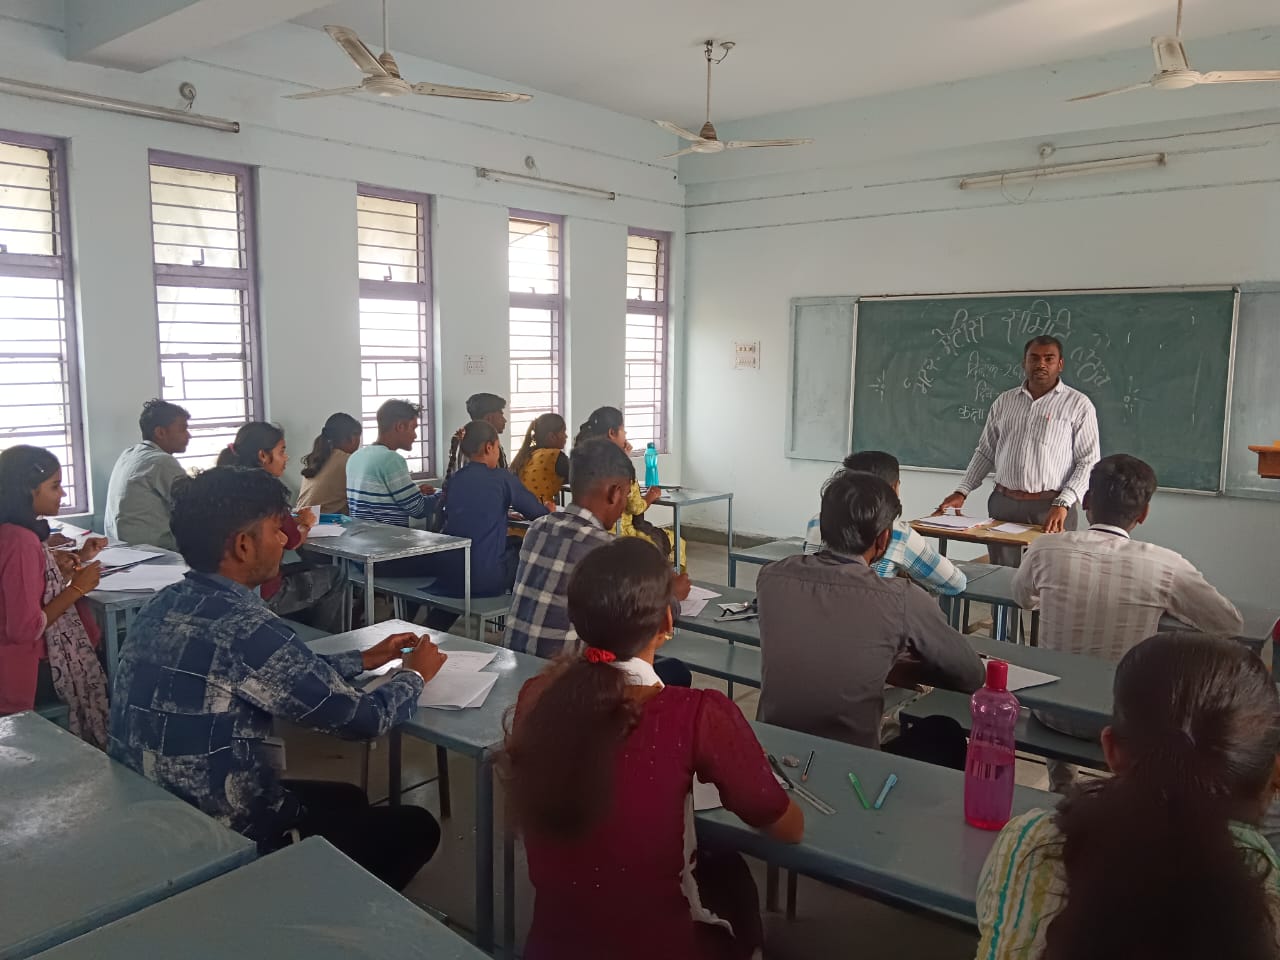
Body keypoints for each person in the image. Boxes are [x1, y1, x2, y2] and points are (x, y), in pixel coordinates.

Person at [108, 465, 446, 890]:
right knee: (415, 826)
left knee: (350, 798)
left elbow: (275, 672)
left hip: (157, 815)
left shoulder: (167, 603)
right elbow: (362, 720)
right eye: (275, 529)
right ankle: (312, 919)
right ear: (244, 545)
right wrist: (414, 675)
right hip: (223, 838)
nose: (286, 540)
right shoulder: (246, 627)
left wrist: (363, 658)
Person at [503, 538, 804, 960]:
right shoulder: (696, 713)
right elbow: (786, 826)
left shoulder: (536, 696)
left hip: (551, 946)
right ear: (667, 621)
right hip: (658, 948)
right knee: (731, 875)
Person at [976, 632, 1280, 960]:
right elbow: (1228, 620)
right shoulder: (1263, 876)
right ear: (1269, 775)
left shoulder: (1029, 841)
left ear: (1111, 749)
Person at [1012, 453, 1243, 790]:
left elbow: (1023, 598)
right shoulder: (1165, 565)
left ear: (1087, 501)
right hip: (1121, 718)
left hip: (1050, 713)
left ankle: (1062, 786)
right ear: (1144, 514)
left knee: (1063, 678)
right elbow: (1229, 624)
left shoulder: (1045, 548)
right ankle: (1126, 793)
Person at [758, 470, 985, 756]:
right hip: (853, 764)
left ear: (824, 526)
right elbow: (971, 675)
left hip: (772, 752)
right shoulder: (902, 597)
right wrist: (893, 666)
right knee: (944, 733)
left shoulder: (771, 577)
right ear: (884, 539)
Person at [507, 439, 692, 685]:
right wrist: (674, 595)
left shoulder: (538, 527)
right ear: (615, 493)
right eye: (626, 494)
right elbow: (651, 616)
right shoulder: (606, 549)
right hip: (568, 678)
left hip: (517, 663)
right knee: (675, 672)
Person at [937, 336, 1100, 565]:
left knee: (1048, 574)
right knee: (1001, 574)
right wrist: (962, 491)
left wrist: (1063, 502)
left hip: (1051, 507)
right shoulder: (1004, 402)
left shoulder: (1079, 405)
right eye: (1034, 358)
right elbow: (985, 451)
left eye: (1048, 359)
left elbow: (1088, 461)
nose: (1040, 364)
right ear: (1024, 363)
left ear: (1060, 364)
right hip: (1004, 503)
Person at [0, 446, 109, 746]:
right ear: (26, 491)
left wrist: (72, 565)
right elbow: (25, 627)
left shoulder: (11, 531)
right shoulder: (21, 540)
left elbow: (18, 593)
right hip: (19, 673)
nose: (62, 494)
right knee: (105, 663)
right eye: (54, 486)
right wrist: (78, 589)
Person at [217, 422, 345, 630]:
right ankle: (327, 640)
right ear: (263, 456)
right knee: (335, 575)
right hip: (264, 591)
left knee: (305, 568)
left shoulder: (222, 484)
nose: (286, 458)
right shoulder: (267, 490)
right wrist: (305, 523)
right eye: (282, 451)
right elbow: (292, 540)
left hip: (227, 586)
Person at [804, 450, 966, 596]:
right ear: (894, 488)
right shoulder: (898, 534)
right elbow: (955, 583)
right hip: (873, 619)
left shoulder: (816, 521)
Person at [430, 420, 552, 597]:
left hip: (451, 573)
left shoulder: (456, 478)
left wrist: (502, 511)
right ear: (489, 447)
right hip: (486, 579)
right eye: (497, 447)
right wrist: (550, 509)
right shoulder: (502, 478)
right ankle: (518, 611)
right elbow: (537, 514)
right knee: (525, 549)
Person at [575, 405, 686, 570]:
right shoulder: (621, 469)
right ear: (612, 433)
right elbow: (635, 507)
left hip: (587, 529)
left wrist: (623, 457)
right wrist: (650, 496)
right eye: (623, 430)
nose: (626, 435)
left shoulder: (583, 460)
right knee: (677, 541)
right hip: (622, 533)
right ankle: (671, 583)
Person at [104, 398, 191, 549]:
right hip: (154, 554)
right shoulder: (161, 462)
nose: (189, 435)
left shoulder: (129, 454)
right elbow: (195, 505)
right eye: (183, 429)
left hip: (121, 550)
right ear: (160, 432)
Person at [346, 399, 437, 527]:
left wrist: (416, 492)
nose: (415, 436)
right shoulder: (391, 460)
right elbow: (417, 509)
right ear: (400, 426)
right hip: (387, 542)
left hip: (361, 540)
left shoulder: (356, 457)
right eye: (413, 428)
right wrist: (443, 495)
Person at [297, 412, 362, 515]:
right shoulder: (348, 460)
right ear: (352, 438)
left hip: (301, 520)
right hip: (322, 524)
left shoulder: (318, 456)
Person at [511, 412, 570, 505]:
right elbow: (579, 477)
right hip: (541, 512)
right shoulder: (554, 456)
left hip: (519, 512)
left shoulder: (527, 454)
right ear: (552, 436)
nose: (566, 436)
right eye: (563, 431)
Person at [446, 392, 509, 476]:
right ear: (489, 418)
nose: (505, 420)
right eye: (501, 415)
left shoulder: (462, 438)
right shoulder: (481, 445)